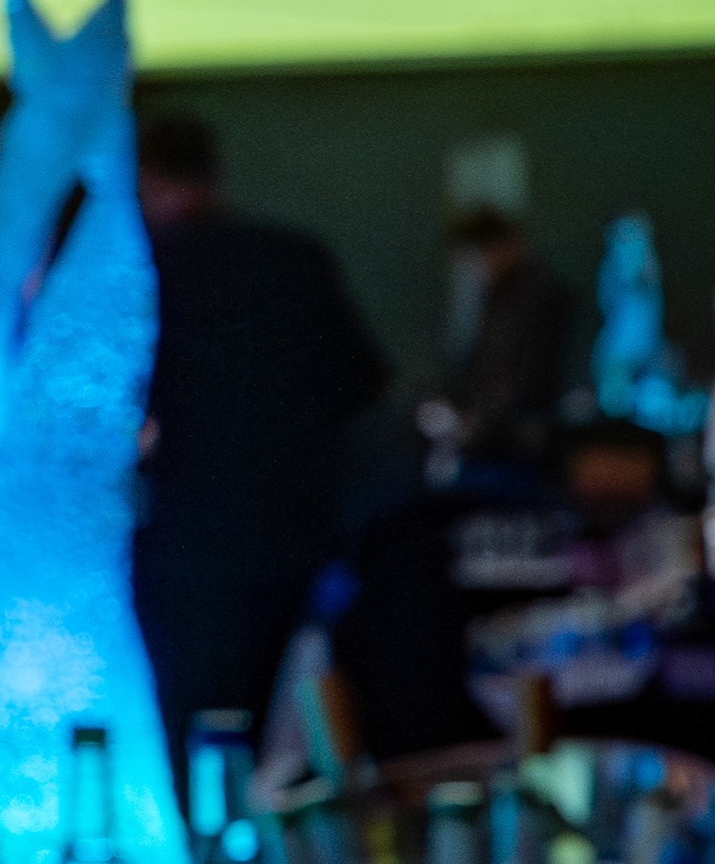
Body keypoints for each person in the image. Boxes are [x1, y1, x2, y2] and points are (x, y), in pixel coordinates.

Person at [135, 107, 391, 733]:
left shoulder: (148, 271)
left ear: (148, 179)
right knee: (264, 720)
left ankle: (208, 827)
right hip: (294, 534)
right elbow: (364, 379)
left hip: (188, 544)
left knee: (190, 726)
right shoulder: (295, 258)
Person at [435, 202, 580, 466]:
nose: (476, 265)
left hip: (523, 435)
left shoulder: (541, 295)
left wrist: (486, 422)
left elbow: (530, 376)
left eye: (481, 252)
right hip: (491, 429)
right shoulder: (496, 296)